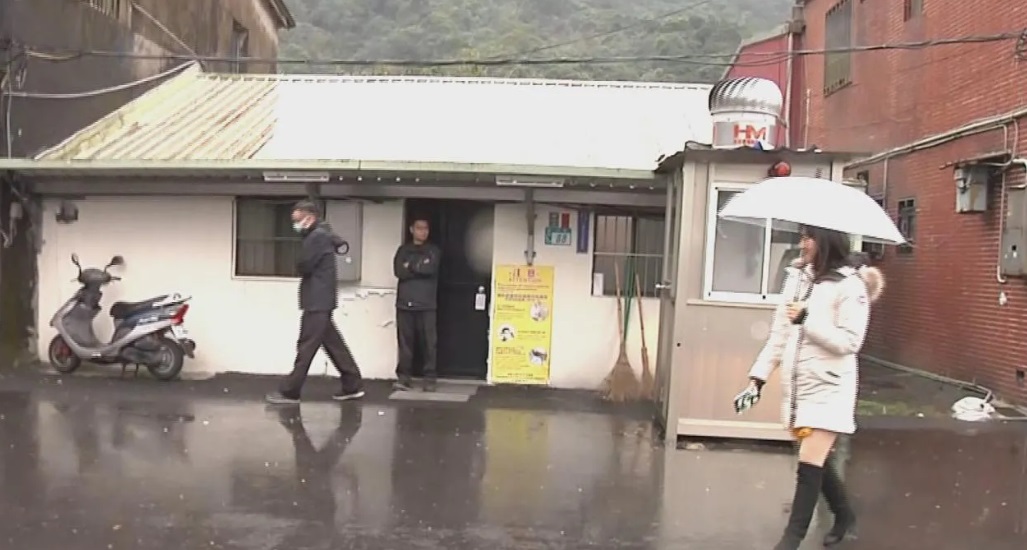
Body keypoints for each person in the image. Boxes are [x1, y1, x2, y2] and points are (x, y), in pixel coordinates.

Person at [733, 225, 884, 550]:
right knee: (814, 459)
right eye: (802, 237)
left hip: (830, 387)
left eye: (808, 238)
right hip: (798, 387)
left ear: (826, 241)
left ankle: (790, 540)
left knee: (809, 463)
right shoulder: (797, 279)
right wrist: (757, 379)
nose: (802, 244)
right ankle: (844, 515)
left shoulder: (851, 287)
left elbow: (850, 342)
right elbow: (779, 335)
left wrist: (807, 320)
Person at [266, 201, 364, 405]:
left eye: (297, 220)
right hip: (322, 299)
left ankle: (290, 391)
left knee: (307, 346)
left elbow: (305, 265)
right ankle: (352, 384)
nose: (295, 225)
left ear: (309, 218)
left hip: (316, 300)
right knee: (333, 344)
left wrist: (299, 262)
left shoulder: (316, 237)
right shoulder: (322, 235)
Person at [393, 217, 441, 392]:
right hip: (404, 304)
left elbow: (430, 268)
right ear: (412, 229)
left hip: (427, 304)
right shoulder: (403, 250)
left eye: (426, 228)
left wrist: (411, 265)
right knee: (405, 343)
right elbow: (399, 271)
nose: (423, 232)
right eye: (419, 228)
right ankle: (404, 377)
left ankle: (430, 378)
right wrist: (419, 265)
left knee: (429, 344)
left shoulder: (433, 251)